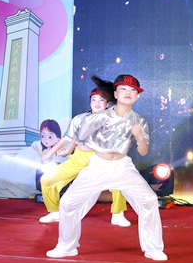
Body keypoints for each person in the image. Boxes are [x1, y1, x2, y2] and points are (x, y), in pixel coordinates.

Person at [46, 74, 167, 261]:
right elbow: (80, 140)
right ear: (115, 94)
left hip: (122, 167)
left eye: (133, 90)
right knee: (68, 203)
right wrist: (73, 149)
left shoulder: (139, 121)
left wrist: (140, 137)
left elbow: (143, 151)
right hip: (98, 166)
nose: (128, 92)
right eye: (123, 89)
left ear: (137, 96)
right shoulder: (100, 117)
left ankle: (153, 248)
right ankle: (66, 246)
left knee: (149, 200)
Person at [38, 85, 130, 226]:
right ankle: (54, 212)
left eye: (101, 100)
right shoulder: (79, 119)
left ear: (107, 104)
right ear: (90, 102)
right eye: (94, 99)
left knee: (119, 180)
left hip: (102, 160)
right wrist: (53, 153)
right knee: (47, 180)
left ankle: (118, 214)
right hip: (79, 159)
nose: (97, 103)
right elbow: (69, 138)